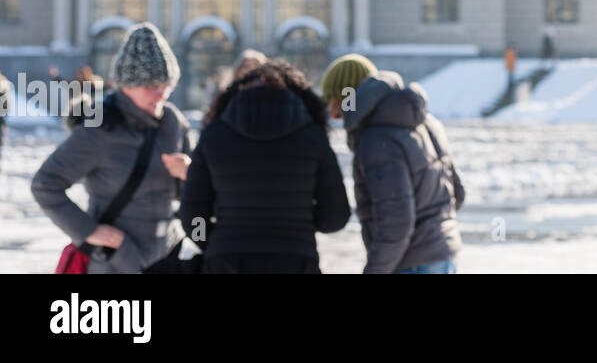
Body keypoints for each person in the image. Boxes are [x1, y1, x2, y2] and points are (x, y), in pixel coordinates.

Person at [32, 23, 192, 274]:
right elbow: (45, 184)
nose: (161, 94)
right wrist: (90, 232)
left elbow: (191, 194)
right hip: (116, 262)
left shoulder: (173, 121)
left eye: (167, 85)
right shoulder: (101, 127)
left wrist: (188, 174)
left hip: (166, 256)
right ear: (125, 85)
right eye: (151, 86)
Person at [180, 59, 350, 274]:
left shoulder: (213, 137)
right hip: (296, 260)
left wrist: (215, 242)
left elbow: (193, 215)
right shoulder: (313, 138)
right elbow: (335, 217)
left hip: (226, 261)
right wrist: (299, 225)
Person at [321, 56, 466, 274]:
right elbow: (457, 193)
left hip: (411, 265)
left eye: (334, 102)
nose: (334, 115)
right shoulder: (426, 121)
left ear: (348, 97)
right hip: (443, 259)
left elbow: (396, 224)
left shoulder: (378, 141)